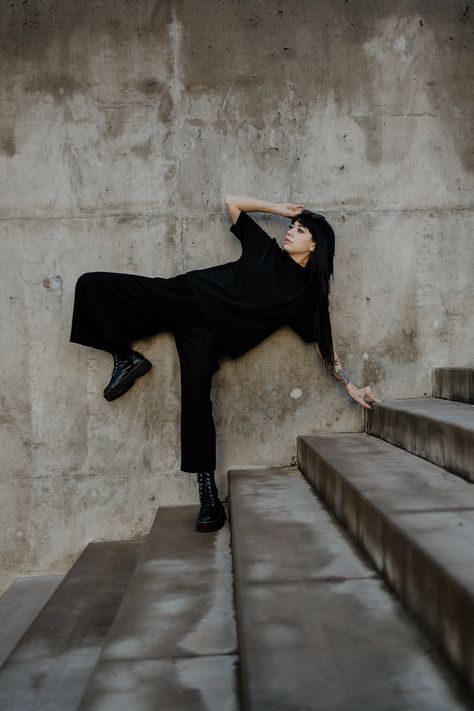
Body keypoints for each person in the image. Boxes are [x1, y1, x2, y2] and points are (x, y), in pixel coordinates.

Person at [69, 194, 381, 533]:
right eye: (292, 227)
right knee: (91, 285)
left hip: (207, 338)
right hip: (185, 295)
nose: (290, 231)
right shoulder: (265, 250)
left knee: (196, 400)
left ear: (315, 247)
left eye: (301, 230)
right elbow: (231, 202)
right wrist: (279, 209)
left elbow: (324, 343)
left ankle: (208, 493)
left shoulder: (307, 297)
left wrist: (349, 384)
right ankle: (125, 356)